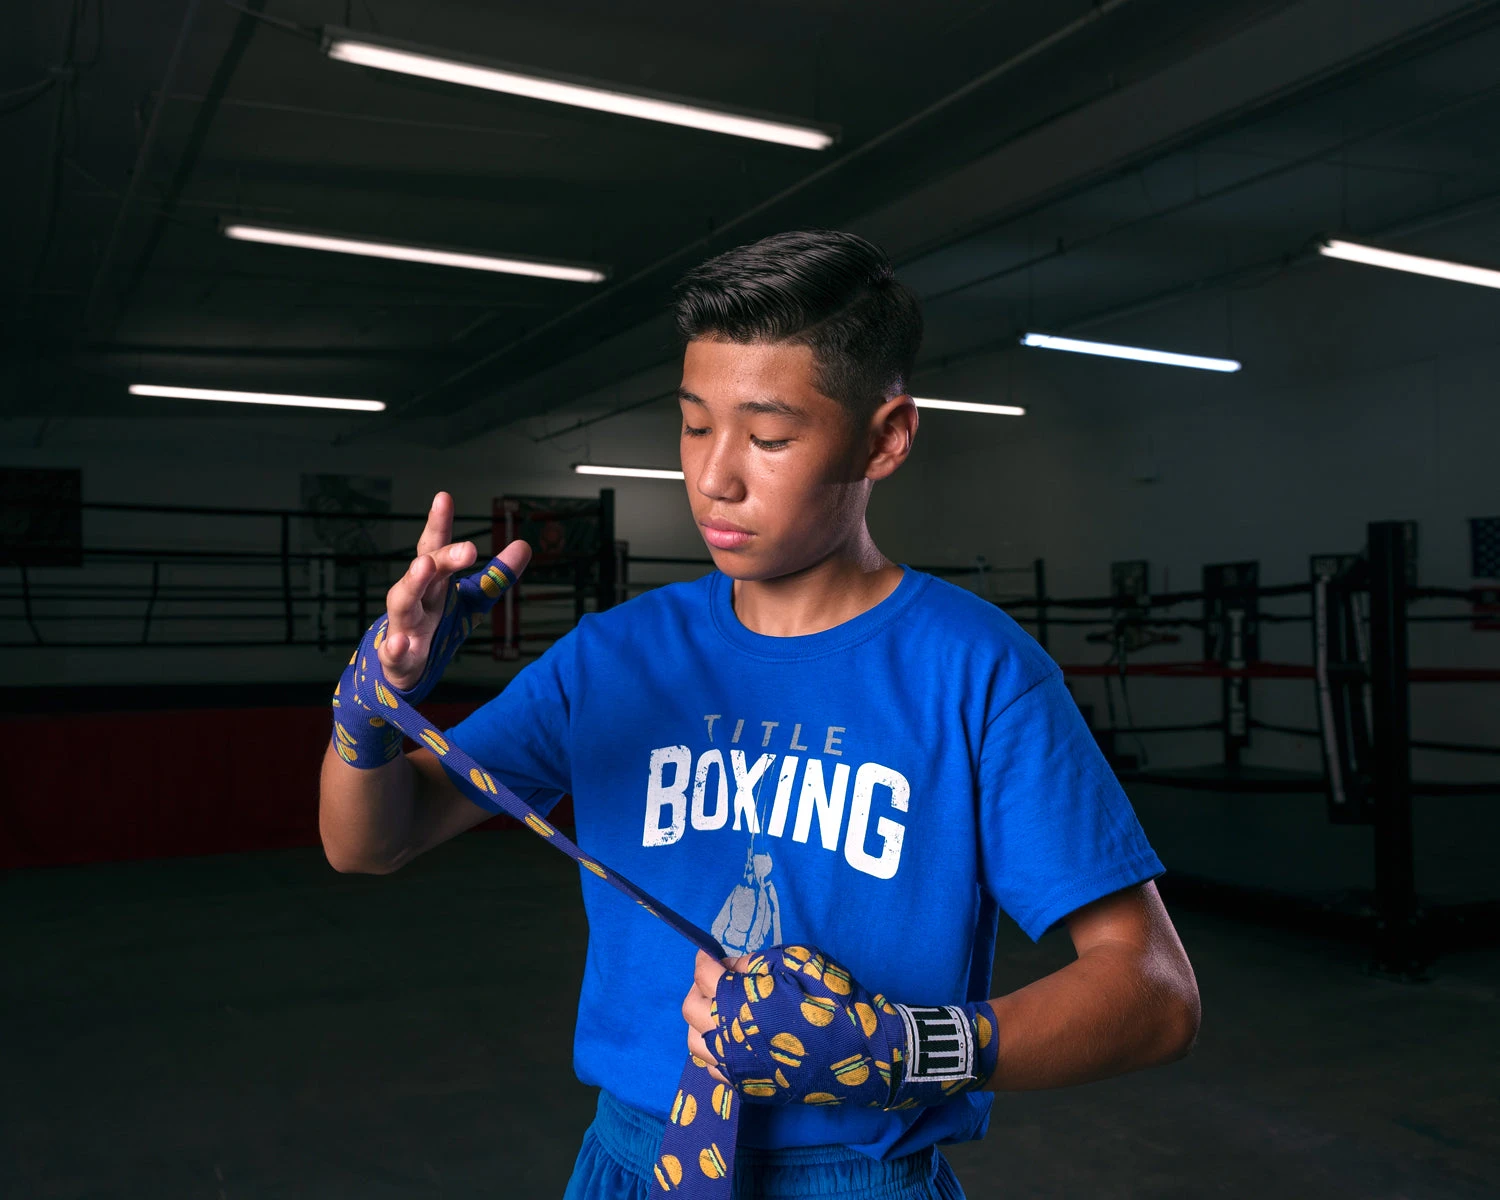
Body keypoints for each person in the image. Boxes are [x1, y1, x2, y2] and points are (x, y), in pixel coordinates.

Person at [319, 229, 1201, 1199]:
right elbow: (369, 843)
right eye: (694, 426)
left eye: (769, 437)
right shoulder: (616, 658)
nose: (715, 477)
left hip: (858, 1177)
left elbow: (1154, 991)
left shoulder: (975, 672)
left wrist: (903, 1046)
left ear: (885, 437)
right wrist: (372, 703)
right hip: (632, 1162)